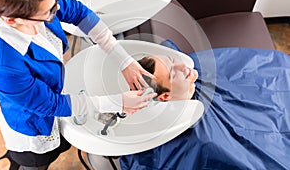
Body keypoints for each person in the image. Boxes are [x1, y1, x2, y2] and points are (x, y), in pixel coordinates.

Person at [0, 0, 157, 169]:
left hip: (53, 104)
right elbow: (49, 104)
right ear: (11, 20)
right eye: (49, 11)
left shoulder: (39, 1)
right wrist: (116, 102)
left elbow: (78, 12)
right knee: (34, 163)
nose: (58, 8)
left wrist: (123, 60)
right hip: (32, 129)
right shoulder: (3, 66)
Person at [122, 47, 290, 169]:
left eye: (172, 60)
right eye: (173, 73)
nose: (183, 66)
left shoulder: (194, 72)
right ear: (165, 96)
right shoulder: (201, 138)